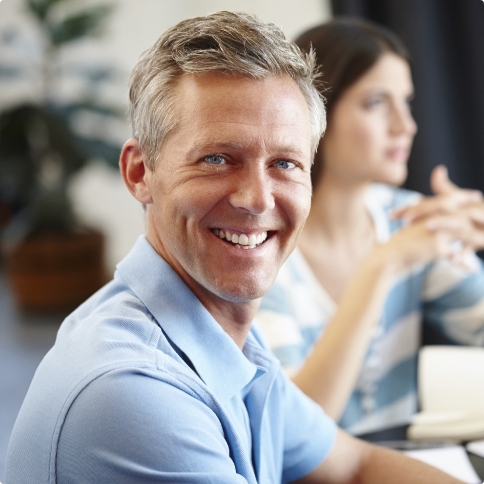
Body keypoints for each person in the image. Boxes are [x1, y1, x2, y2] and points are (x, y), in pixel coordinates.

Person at [5, 12, 471, 484]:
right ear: (140, 173)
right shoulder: (132, 391)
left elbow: (356, 466)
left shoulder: (227, 332)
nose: (257, 199)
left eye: (285, 164)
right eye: (217, 159)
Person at [257, 17, 484, 436]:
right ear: (312, 114)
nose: (406, 125)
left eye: (407, 102)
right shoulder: (260, 249)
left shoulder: (409, 220)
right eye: (377, 103)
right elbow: (293, 433)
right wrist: (382, 267)